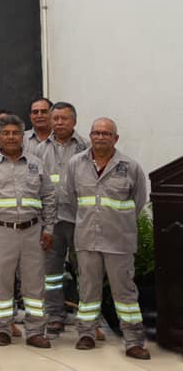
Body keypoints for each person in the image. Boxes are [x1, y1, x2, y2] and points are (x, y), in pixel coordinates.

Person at [0, 114, 55, 348]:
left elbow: (48, 196)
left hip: (33, 231)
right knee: (0, 281)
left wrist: (49, 228)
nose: (10, 137)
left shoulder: (36, 164)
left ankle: (36, 331)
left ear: (22, 136)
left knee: (34, 283)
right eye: (5, 133)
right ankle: (2, 329)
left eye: (15, 133)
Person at [66, 118, 150, 359]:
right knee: (88, 291)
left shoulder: (130, 166)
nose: (100, 137)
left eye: (106, 133)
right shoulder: (76, 164)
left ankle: (133, 340)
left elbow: (139, 201)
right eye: (96, 133)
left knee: (125, 294)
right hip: (87, 239)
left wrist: (116, 222)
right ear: (90, 136)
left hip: (119, 241)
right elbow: (72, 199)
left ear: (116, 138)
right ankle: (87, 334)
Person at [36, 101, 90, 337]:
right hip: (50, 221)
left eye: (64, 118)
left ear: (74, 121)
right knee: (52, 272)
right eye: (55, 118)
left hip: (79, 219)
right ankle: (55, 315)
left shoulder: (86, 148)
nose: (58, 123)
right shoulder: (39, 149)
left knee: (85, 271)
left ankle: (89, 319)